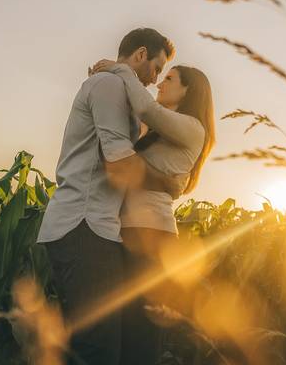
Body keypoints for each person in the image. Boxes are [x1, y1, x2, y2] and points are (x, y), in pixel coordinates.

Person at [37, 28, 185, 365]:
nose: (155, 78)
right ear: (140, 54)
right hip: (82, 224)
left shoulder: (117, 88)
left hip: (98, 228)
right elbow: (118, 164)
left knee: (108, 345)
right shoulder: (108, 85)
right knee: (97, 348)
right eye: (156, 68)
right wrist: (168, 184)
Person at [89, 58, 215, 365]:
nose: (160, 83)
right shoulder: (157, 131)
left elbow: (145, 109)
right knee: (122, 327)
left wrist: (121, 69)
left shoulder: (192, 128)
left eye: (169, 78)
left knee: (141, 333)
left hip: (153, 237)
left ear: (189, 91)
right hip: (126, 231)